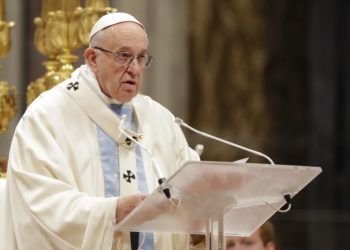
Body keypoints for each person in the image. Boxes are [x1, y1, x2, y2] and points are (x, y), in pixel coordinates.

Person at [4, 12, 199, 250]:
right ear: (92, 58)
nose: (134, 69)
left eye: (141, 57)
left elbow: (193, 188)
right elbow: (39, 205)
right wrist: (112, 212)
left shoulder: (159, 119)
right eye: (124, 56)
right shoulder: (47, 116)